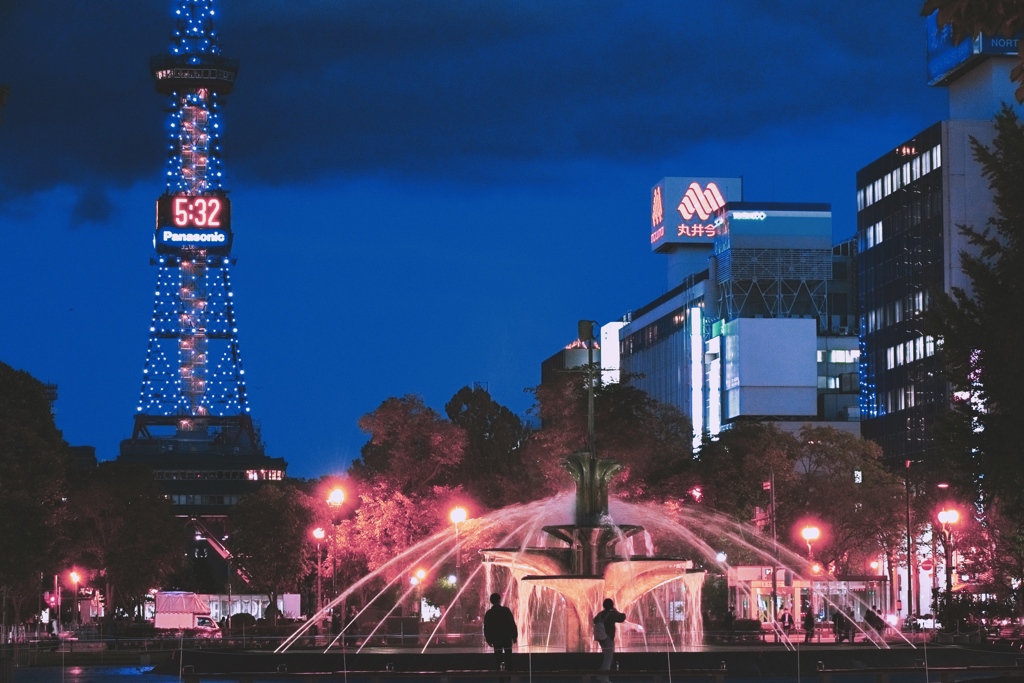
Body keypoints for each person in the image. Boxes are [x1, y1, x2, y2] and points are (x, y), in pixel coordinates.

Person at [483, 593, 518, 675]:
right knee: (508, 657)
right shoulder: (506, 610)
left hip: (496, 639)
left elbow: (487, 628)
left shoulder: (489, 613)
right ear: (499, 600)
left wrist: (488, 639)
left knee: (498, 658)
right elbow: (512, 623)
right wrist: (514, 636)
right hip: (506, 638)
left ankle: (499, 676)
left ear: (491, 601)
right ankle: (509, 675)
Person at [594, 598, 626, 683]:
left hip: (601, 637)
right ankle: (603, 677)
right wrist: (616, 611)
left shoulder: (601, 614)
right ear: (612, 605)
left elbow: (594, 620)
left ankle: (601, 674)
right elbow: (622, 618)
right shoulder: (612, 614)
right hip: (608, 637)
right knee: (608, 658)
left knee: (607, 656)